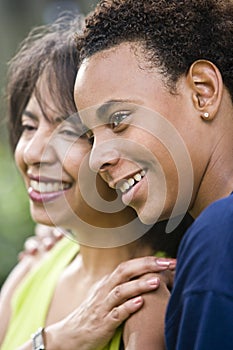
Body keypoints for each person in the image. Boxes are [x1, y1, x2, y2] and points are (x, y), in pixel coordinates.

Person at [0, 12, 193, 350]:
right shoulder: (31, 272)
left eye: (71, 132)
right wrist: (54, 341)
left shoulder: (142, 299)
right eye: (29, 126)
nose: (32, 152)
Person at [73, 0, 233, 348]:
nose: (96, 159)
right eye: (90, 137)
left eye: (118, 120)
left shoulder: (220, 236)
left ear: (203, 92)